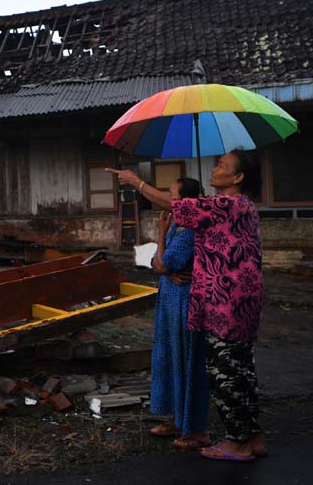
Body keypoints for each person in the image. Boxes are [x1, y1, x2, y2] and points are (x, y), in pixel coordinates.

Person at [106, 151, 265, 461]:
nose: (215, 168)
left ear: (238, 177)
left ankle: (237, 444)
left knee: (226, 376)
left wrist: (136, 182)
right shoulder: (241, 206)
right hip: (240, 301)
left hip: (224, 304)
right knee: (243, 373)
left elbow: (176, 208)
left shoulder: (226, 204)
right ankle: (253, 438)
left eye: (222, 165)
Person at [148, 178, 209, 450]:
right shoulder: (178, 224)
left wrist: (160, 235)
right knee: (171, 358)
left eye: (172, 195)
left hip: (185, 302)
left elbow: (165, 263)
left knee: (186, 360)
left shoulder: (190, 230)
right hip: (169, 300)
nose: (169, 201)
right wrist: (161, 262)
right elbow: (155, 262)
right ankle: (176, 419)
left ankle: (193, 427)